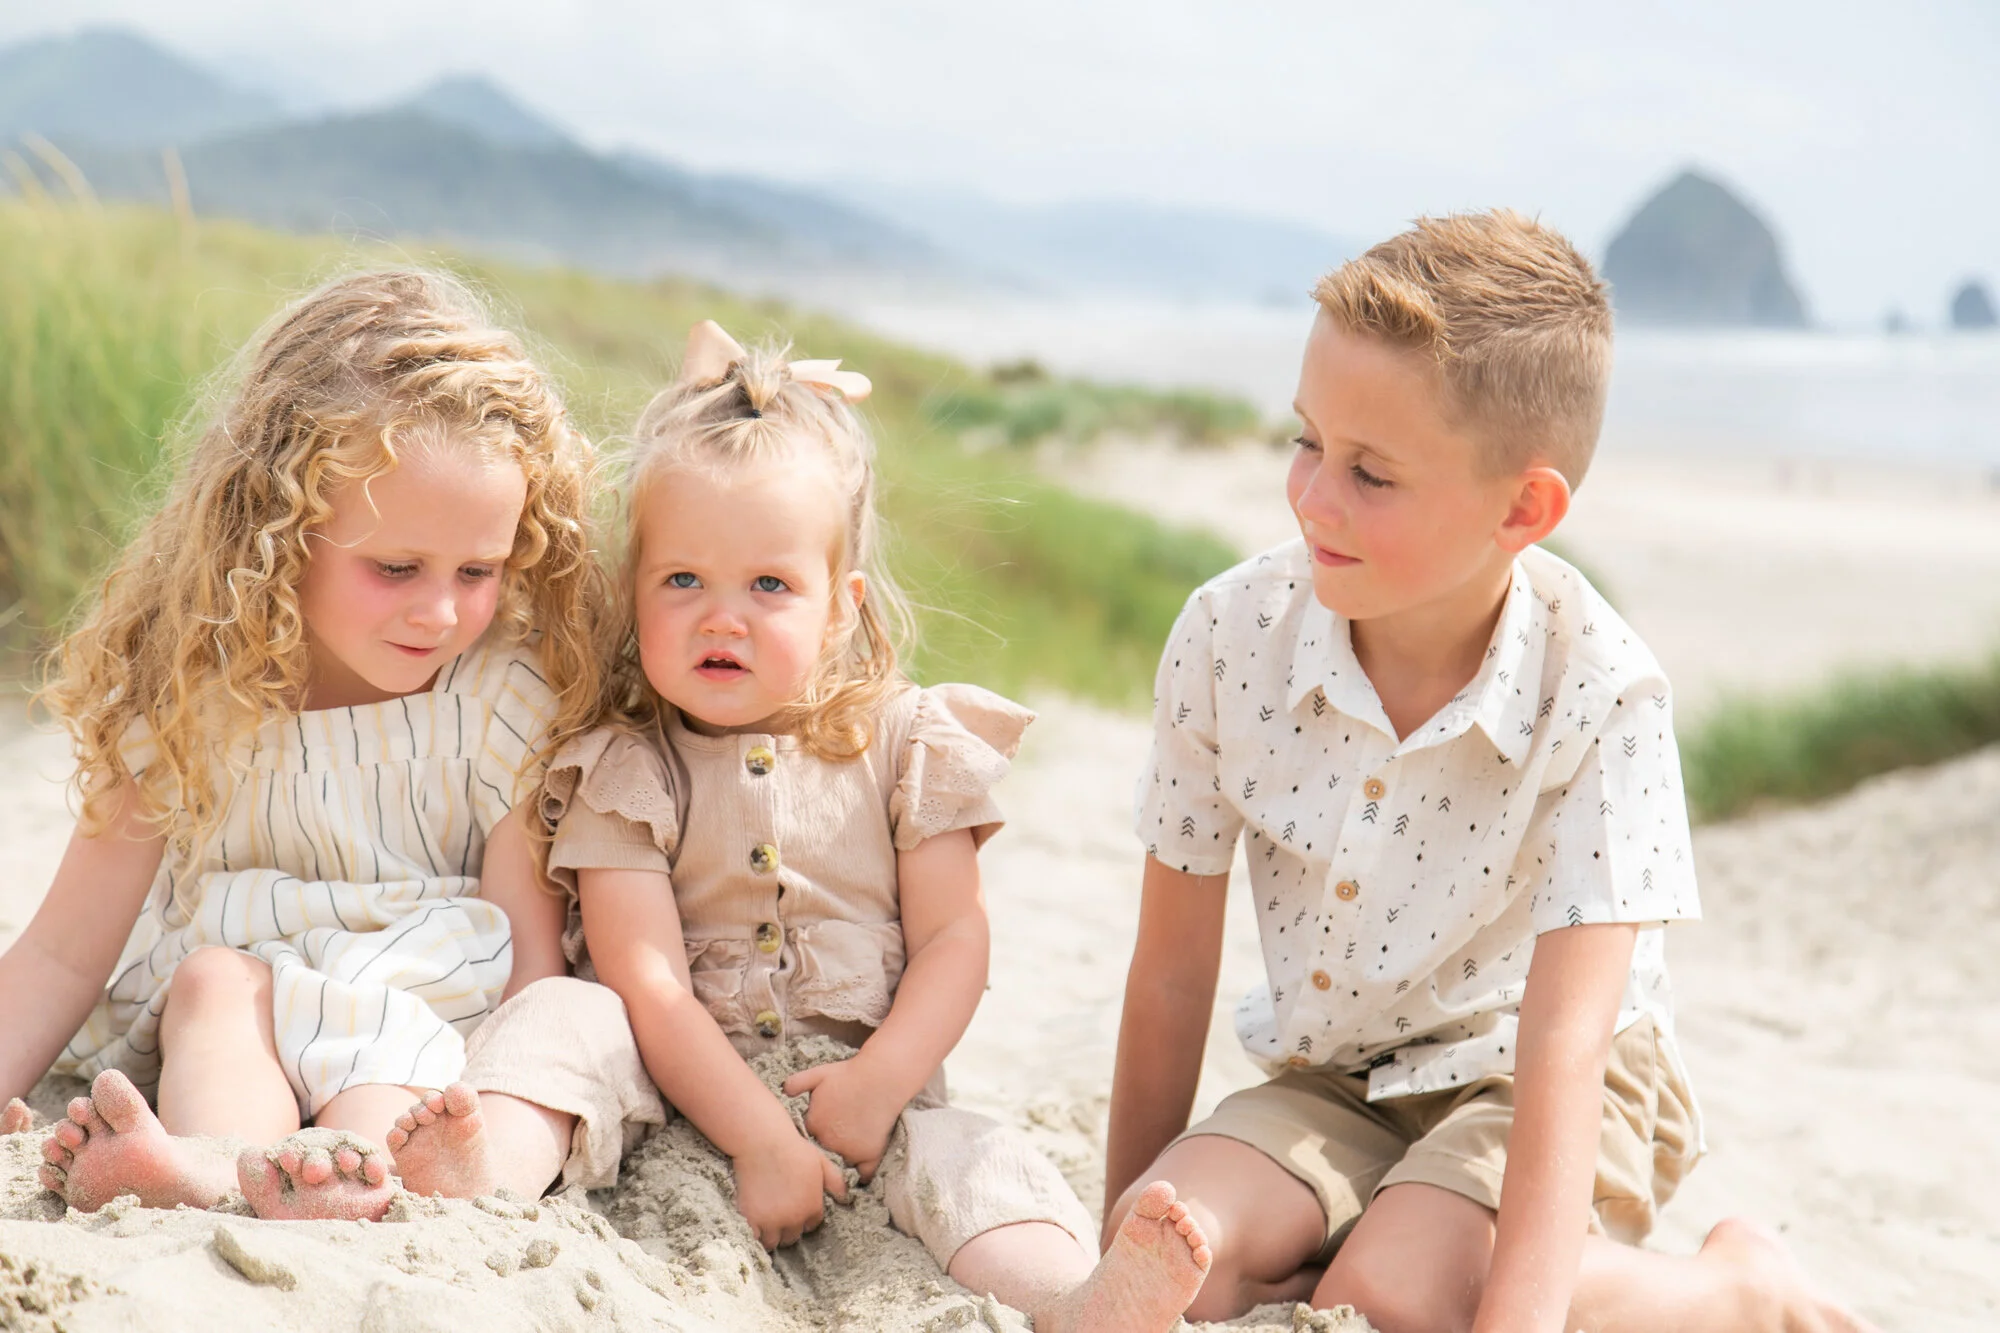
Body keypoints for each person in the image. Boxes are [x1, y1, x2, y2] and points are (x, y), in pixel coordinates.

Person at [1101, 212, 1874, 1332]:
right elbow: (1169, 976)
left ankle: (1735, 1291)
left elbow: (1564, 1052)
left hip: (1546, 1081)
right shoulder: (1227, 635)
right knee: (1192, 1247)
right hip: (1337, 1074)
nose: (1311, 498)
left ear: (1523, 509)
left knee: (1398, 1290)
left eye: (1369, 473)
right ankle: (1379, 1230)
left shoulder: (1602, 696)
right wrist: (1123, 1229)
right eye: (1305, 440)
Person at [387, 320, 1211, 1331]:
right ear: (633, 592)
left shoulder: (904, 742)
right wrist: (757, 1140)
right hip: (667, 1086)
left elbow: (955, 938)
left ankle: (1067, 1295)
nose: (719, 616)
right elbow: (646, 979)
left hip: (866, 1094)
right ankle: (486, 1173)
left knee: (975, 1162)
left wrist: (877, 1084)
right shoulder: (624, 765)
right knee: (562, 1021)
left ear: (840, 608)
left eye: (768, 585)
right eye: (680, 580)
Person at [0, 269, 606, 1222]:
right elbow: (62, 954)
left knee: (523, 1037)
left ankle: (376, 1178)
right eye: (395, 566)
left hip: (434, 1026)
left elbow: (528, 955)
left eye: (479, 570)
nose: (441, 610)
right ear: (278, 530)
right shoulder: (184, 700)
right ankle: (221, 1167)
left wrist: (483, 1100)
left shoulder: (502, 697)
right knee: (210, 986)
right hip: (244, 1013)